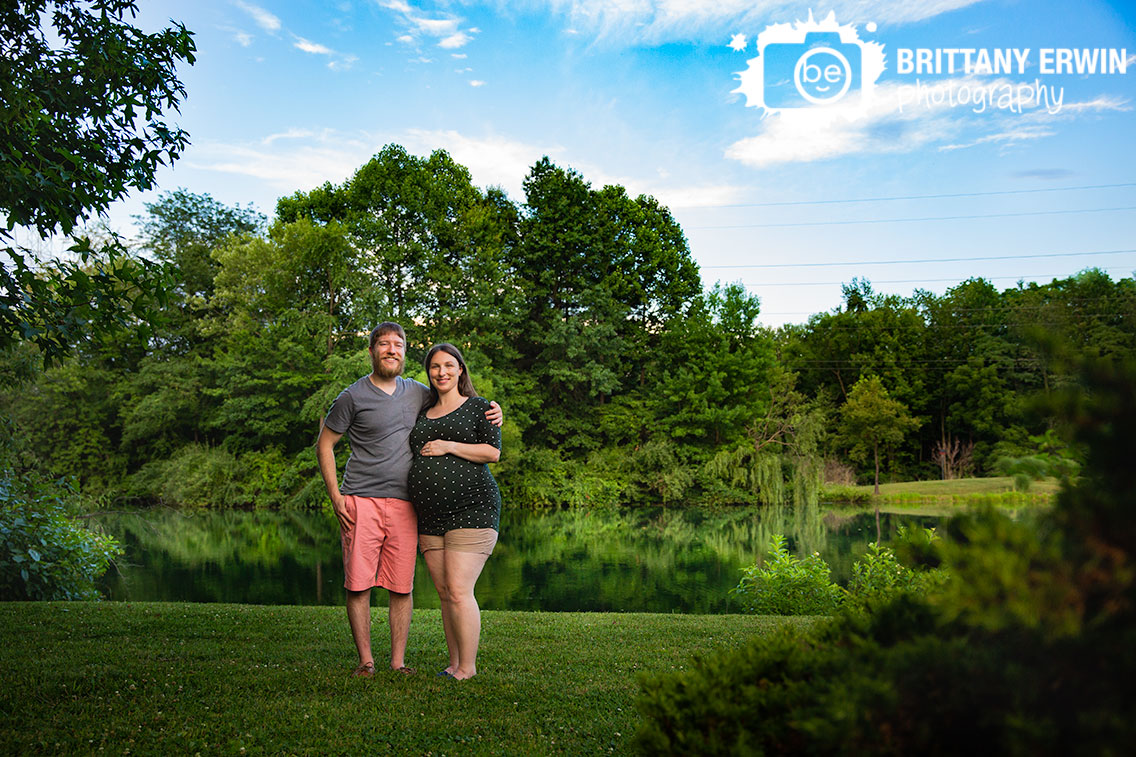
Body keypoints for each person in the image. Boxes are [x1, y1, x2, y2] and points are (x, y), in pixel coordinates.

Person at [316, 323, 502, 678]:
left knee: (403, 585)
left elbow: (473, 421)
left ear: (404, 352)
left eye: (397, 345)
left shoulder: (418, 393)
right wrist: (335, 495)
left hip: (408, 505)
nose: (390, 350)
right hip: (363, 500)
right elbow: (325, 444)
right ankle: (366, 662)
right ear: (371, 350)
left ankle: (400, 662)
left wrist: (494, 412)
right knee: (359, 583)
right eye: (383, 344)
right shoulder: (352, 396)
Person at [408, 343, 502, 681]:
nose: (441, 372)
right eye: (435, 366)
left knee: (460, 590)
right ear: (428, 372)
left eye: (449, 365)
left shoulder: (480, 407)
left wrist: (449, 446)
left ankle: (468, 668)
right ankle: (453, 663)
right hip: (430, 516)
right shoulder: (422, 410)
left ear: (461, 369)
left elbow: (492, 452)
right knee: (446, 593)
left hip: (472, 509)